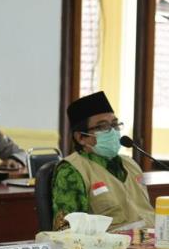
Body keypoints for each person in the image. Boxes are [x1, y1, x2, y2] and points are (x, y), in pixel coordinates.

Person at [52, 91, 154, 231]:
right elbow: (66, 231)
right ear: (81, 137)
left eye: (115, 124)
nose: (112, 131)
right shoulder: (71, 171)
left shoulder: (130, 164)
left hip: (151, 243)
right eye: (102, 127)